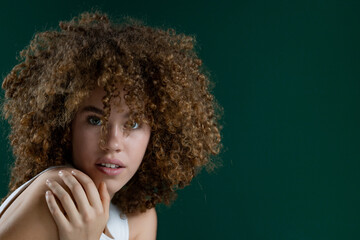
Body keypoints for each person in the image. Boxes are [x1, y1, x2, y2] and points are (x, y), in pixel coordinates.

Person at [0, 11, 222, 240]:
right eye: (95, 121)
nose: (112, 142)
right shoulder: (59, 194)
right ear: (66, 126)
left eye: (133, 124)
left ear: (156, 136)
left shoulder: (138, 218)